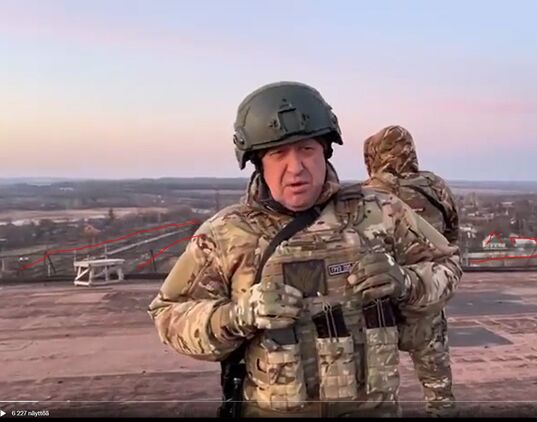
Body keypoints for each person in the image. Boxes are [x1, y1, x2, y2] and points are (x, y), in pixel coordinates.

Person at [146, 82, 462, 417]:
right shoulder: (226, 234)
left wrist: (406, 282)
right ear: (258, 162)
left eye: (307, 149)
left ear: (325, 151)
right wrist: (237, 316)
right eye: (278, 154)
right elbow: (168, 316)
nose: (296, 167)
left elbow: (447, 265)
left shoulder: (379, 212)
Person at [362, 125, 460, 417]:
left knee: (377, 395)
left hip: (381, 308)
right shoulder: (435, 187)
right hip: (426, 301)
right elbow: (451, 237)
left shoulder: (364, 195)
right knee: (439, 391)